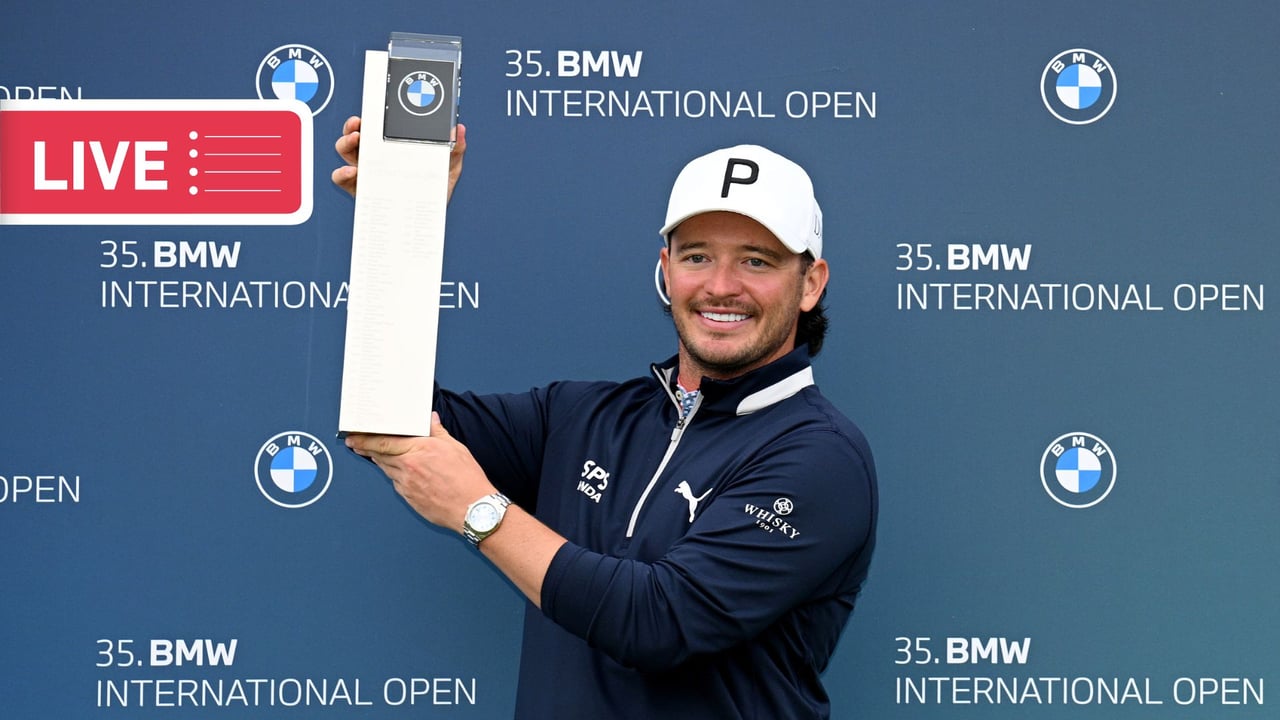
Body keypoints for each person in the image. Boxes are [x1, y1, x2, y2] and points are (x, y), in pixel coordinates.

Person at [334, 117, 878, 719]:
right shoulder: (583, 416)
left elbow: (660, 622)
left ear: (810, 283)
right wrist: (399, 225)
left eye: (756, 261)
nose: (721, 286)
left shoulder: (819, 457)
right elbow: (386, 418)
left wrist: (479, 511)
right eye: (697, 256)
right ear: (666, 271)